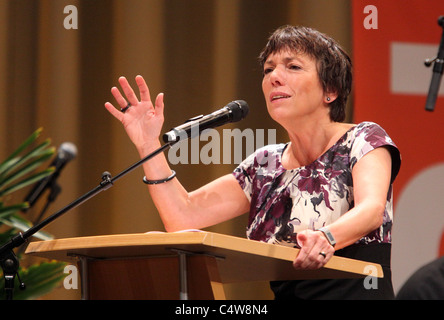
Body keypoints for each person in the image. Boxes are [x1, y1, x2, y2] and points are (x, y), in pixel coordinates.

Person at [104, 25, 401, 299]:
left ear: (330, 90)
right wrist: (147, 144)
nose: (273, 77)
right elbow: (182, 216)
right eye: (268, 69)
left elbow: (371, 210)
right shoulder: (264, 165)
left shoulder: (364, 139)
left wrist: (326, 237)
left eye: (293, 66)